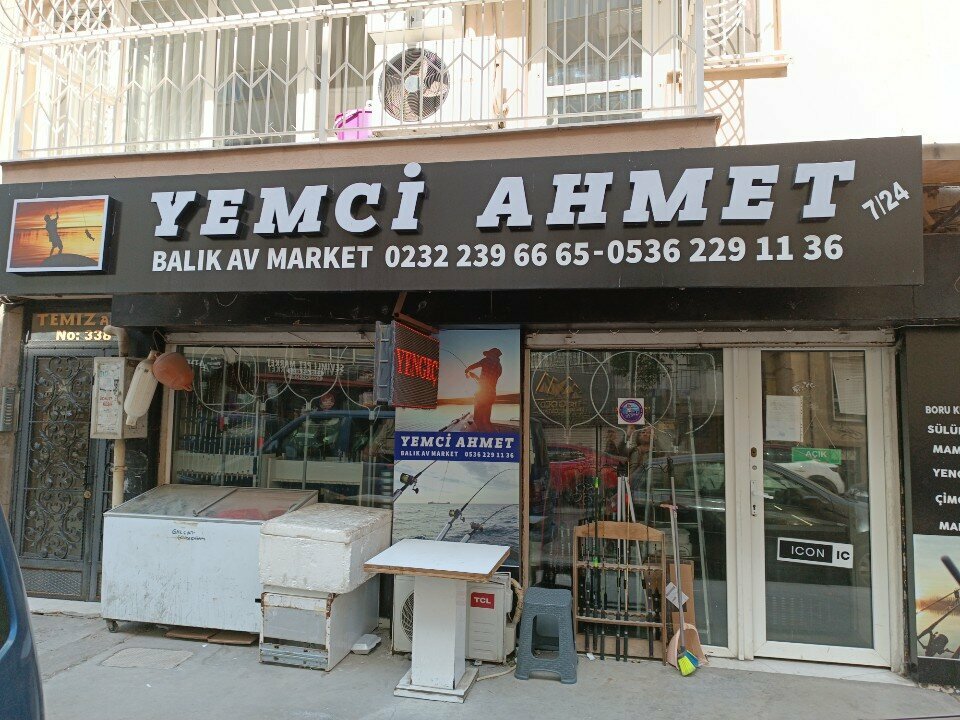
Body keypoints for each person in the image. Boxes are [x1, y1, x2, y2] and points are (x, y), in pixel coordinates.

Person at [464, 348, 502, 432]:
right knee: (486, 421)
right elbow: (488, 382)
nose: (487, 355)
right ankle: (494, 438)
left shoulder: (487, 360)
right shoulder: (499, 367)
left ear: (492, 354)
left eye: (488, 354)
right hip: (491, 395)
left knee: (477, 419)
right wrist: (474, 376)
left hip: (482, 395)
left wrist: (467, 371)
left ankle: (483, 438)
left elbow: (473, 366)